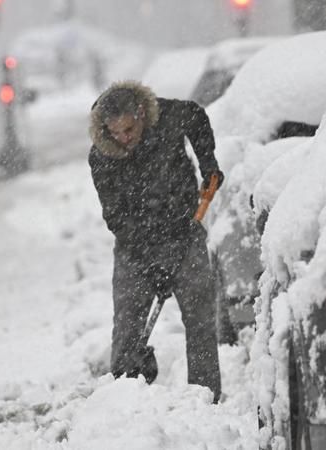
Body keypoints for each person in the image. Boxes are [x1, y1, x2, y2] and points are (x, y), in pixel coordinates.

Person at [88, 80, 224, 403]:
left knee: (200, 318)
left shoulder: (166, 115)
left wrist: (208, 163)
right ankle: (125, 396)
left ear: (140, 115)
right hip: (134, 247)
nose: (125, 138)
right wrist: (154, 263)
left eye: (130, 129)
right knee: (126, 324)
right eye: (116, 132)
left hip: (185, 232)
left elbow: (196, 116)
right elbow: (117, 218)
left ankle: (205, 397)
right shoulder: (102, 157)